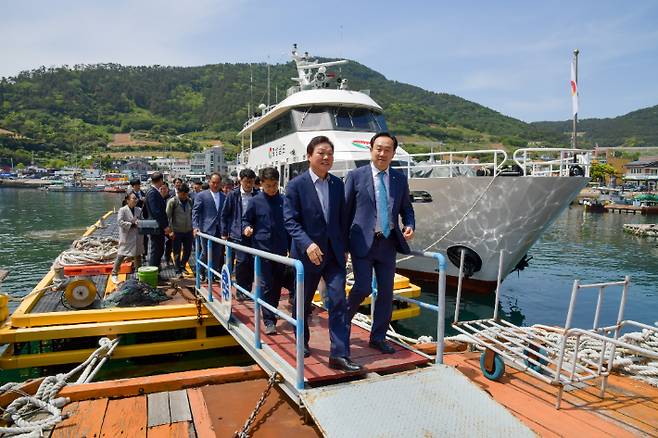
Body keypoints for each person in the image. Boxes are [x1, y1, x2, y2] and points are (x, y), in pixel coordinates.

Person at [284, 136, 360, 371]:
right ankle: (301, 341)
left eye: (330, 153)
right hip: (307, 254)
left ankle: (339, 354)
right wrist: (307, 244)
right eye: (321, 153)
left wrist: (345, 247)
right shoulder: (296, 185)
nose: (326, 157)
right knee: (302, 302)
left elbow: (342, 219)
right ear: (309, 156)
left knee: (338, 300)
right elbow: (290, 220)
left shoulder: (338, 185)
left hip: (334, 254)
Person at [344, 132, 415, 354]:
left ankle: (378, 337)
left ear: (393, 153)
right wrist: (343, 246)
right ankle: (341, 326)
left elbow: (406, 208)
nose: (382, 153)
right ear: (371, 150)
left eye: (387, 149)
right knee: (362, 287)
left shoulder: (399, 179)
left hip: (388, 243)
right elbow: (345, 212)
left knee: (386, 292)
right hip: (362, 243)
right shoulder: (355, 176)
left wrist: (410, 224)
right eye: (378, 148)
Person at [243, 167, 288, 335]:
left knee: (276, 285)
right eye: (268, 185)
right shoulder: (255, 201)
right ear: (261, 184)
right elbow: (246, 219)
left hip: (280, 250)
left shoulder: (284, 201)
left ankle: (272, 312)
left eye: (275, 185)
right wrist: (247, 227)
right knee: (265, 284)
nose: (272, 189)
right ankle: (269, 320)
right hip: (262, 249)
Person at [221, 168, 258, 301]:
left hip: (253, 233)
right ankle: (241, 290)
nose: (249, 185)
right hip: (237, 234)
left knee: (252, 262)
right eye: (246, 182)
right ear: (240, 181)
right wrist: (224, 232)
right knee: (242, 262)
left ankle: (247, 289)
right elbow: (225, 214)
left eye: (251, 182)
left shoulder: (257, 194)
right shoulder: (233, 195)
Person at [192, 172, 225, 280]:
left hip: (219, 230)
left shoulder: (223, 196)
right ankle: (199, 270)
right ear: (209, 182)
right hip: (205, 229)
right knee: (206, 252)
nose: (215, 185)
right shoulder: (201, 195)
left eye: (217, 183)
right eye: (213, 182)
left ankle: (212, 274)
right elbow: (195, 212)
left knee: (217, 254)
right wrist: (195, 226)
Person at [111, 193, 144, 284]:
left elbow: (142, 219)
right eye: (133, 198)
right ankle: (114, 274)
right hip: (127, 235)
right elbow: (120, 222)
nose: (135, 200)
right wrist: (131, 224)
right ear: (128, 200)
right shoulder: (122, 210)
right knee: (121, 255)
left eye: (136, 198)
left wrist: (140, 223)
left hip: (137, 235)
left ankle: (138, 273)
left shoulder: (139, 209)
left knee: (138, 255)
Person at [145, 172, 172, 270]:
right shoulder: (153, 193)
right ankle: (153, 272)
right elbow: (156, 212)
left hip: (157, 226)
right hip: (156, 227)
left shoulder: (153, 192)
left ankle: (156, 271)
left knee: (159, 250)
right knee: (156, 251)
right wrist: (165, 226)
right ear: (160, 180)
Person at [167, 183, 193, 277]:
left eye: (186, 194)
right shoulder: (172, 202)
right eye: (182, 194)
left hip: (188, 231)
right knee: (177, 251)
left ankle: (183, 265)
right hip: (176, 231)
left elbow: (192, 215)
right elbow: (168, 217)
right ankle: (177, 269)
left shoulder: (189, 201)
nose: (184, 196)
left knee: (188, 250)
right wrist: (170, 231)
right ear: (178, 192)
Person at [160, 183, 174, 266]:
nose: (162, 190)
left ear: (167, 189)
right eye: (161, 189)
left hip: (169, 225)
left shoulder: (171, 199)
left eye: (164, 189)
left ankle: (168, 259)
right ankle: (160, 260)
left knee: (169, 244)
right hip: (160, 225)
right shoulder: (156, 199)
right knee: (159, 244)